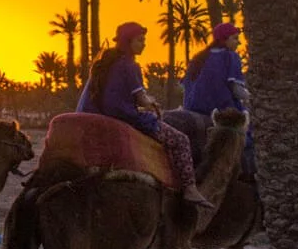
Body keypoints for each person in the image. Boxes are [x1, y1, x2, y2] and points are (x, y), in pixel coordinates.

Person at [80, 21, 210, 209]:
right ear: (128, 42)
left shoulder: (104, 65)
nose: (144, 44)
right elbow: (141, 98)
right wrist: (153, 105)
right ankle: (190, 188)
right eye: (140, 40)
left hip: (106, 117)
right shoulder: (130, 65)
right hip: (128, 119)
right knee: (180, 140)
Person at [183, 21, 253, 177]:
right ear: (224, 40)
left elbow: (186, 87)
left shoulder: (199, 58)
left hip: (192, 107)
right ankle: (248, 174)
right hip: (223, 108)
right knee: (251, 132)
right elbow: (236, 89)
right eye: (235, 38)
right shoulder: (230, 56)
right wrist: (256, 100)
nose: (239, 42)